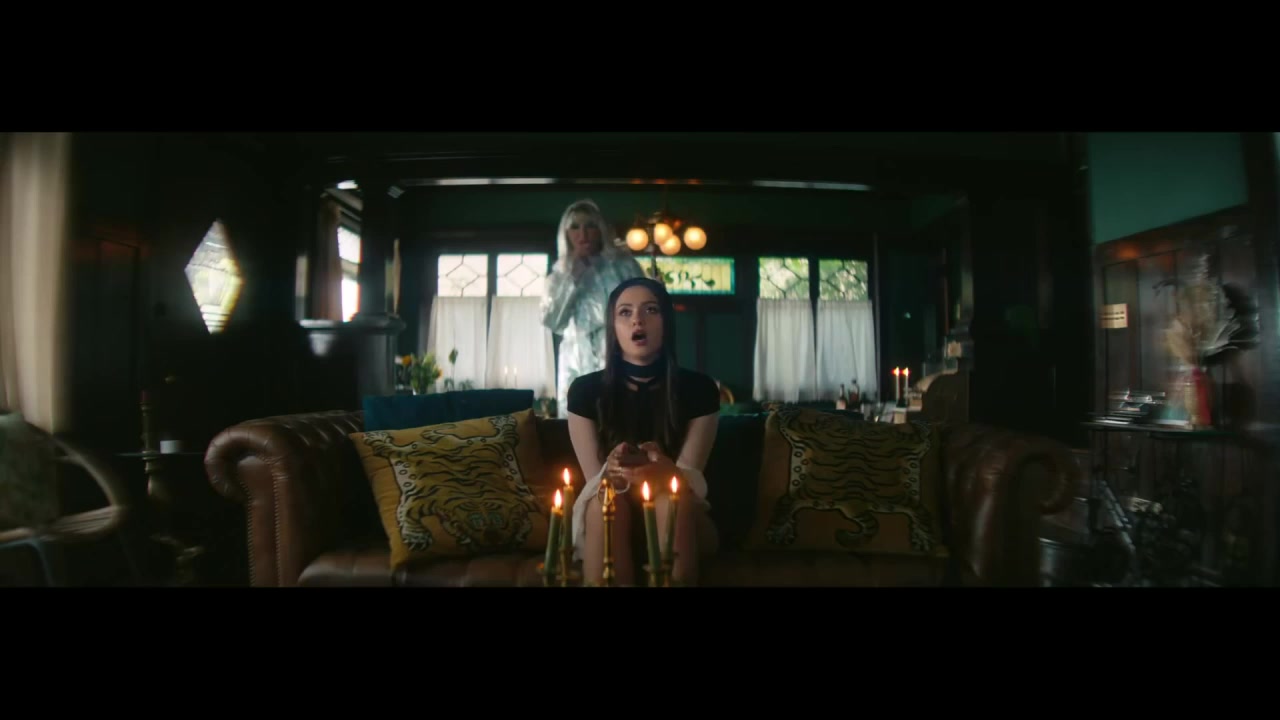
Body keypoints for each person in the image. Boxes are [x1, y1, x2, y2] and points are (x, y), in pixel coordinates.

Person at [565, 277, 721, 586]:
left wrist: (663, 469)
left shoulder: (701, 390)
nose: (637, 320)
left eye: (651, 310)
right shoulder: (584, 392)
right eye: (625, 312)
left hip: (680, 510)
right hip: (608, 511)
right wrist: (613, 468)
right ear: (613, 327)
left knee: (671, 499)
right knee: (606, 499)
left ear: (666, 323)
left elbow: (689, 477)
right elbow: (594, 483)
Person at [540, 199, 645, 418]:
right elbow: (552, 321)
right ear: (566, 234)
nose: (583, 234)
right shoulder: (558, 277)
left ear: (601, 230)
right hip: (575, 357)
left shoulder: (624, 267)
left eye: (590, 226)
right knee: (578, 420)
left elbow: (642, 309)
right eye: (575, 227)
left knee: (623, 417)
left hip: (619, 354)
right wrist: (572, 279)